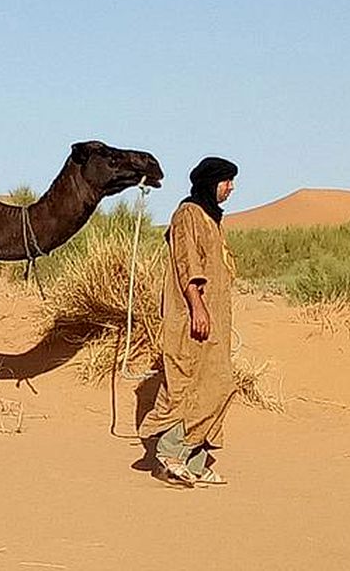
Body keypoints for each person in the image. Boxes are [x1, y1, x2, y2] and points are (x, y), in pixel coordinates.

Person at [139, 156, 239, 487]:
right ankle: (169, 453)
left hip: (215, 322)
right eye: (227, 181)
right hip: (192, 317)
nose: (231, 188)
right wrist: (197, 305)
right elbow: (187, 263)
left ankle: (194, 462)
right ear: (212, 182)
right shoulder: (188, 214)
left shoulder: (211, 218)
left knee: (217, 383)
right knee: (192, 383)